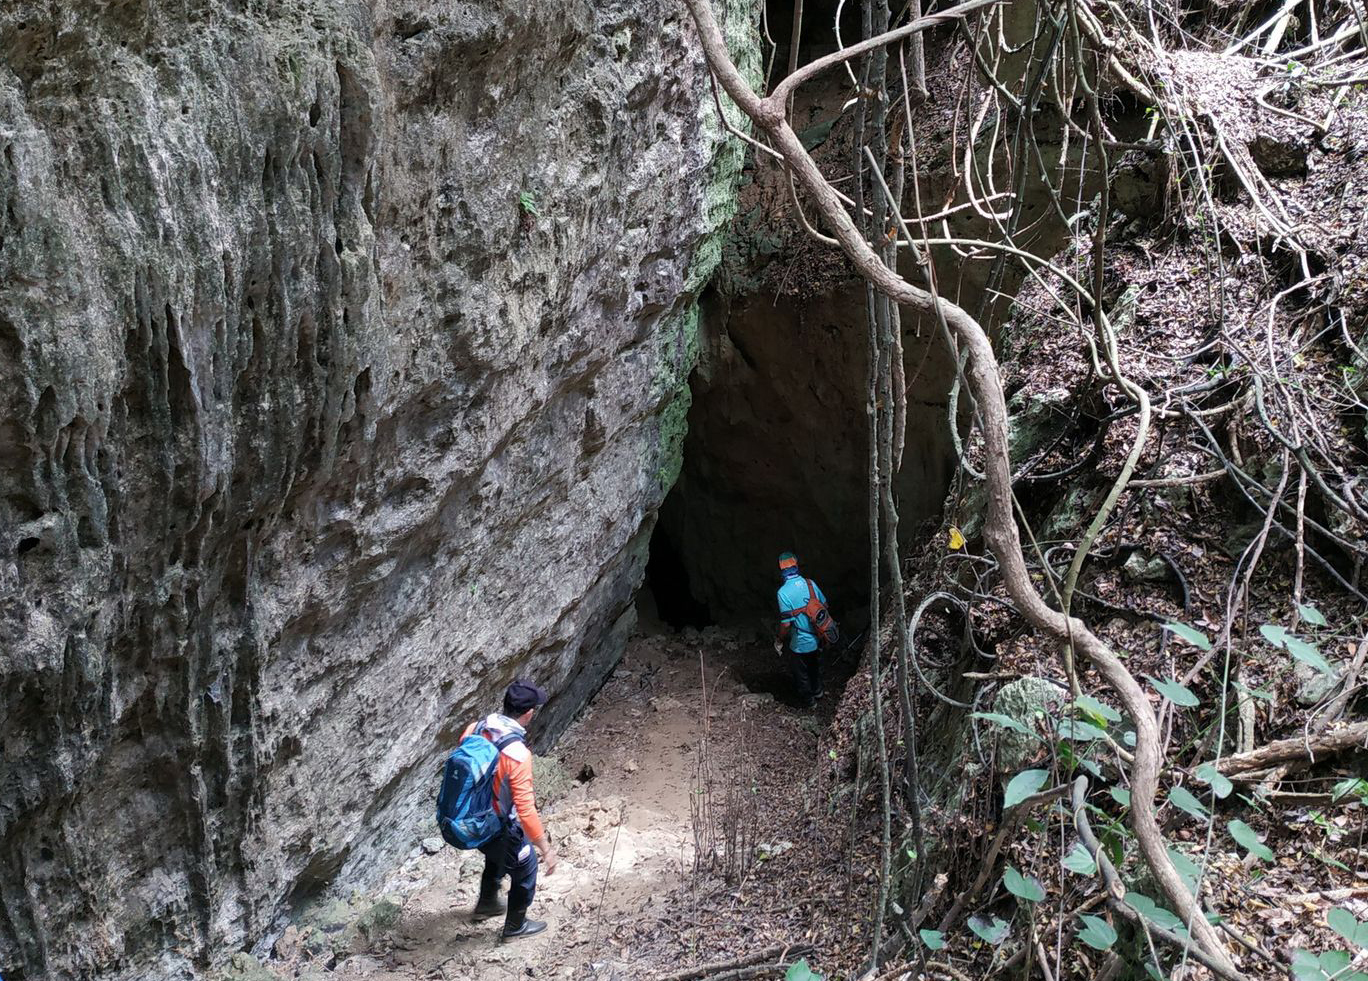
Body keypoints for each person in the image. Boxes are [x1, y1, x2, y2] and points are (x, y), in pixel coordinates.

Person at [462, 679, 560, 940]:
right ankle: (516, 926)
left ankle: (487, 903)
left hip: (469, 819)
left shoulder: (475, 728)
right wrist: (545, 850)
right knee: (526, 865)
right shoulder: (517, 754)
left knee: (497, 852)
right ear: (528, 713)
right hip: (495, 824)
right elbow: (526, 810)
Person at [774, 551, 830, 708]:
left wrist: (779, 639)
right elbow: (824, 606)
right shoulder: (810, 584)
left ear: (781, 571)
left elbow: (786, 624)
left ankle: (809, 701)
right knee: (815, 666)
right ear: (797, 566)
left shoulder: (783, 593)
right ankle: (818, 690)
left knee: (801, 673)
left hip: (800, 643)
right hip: (817, 636)